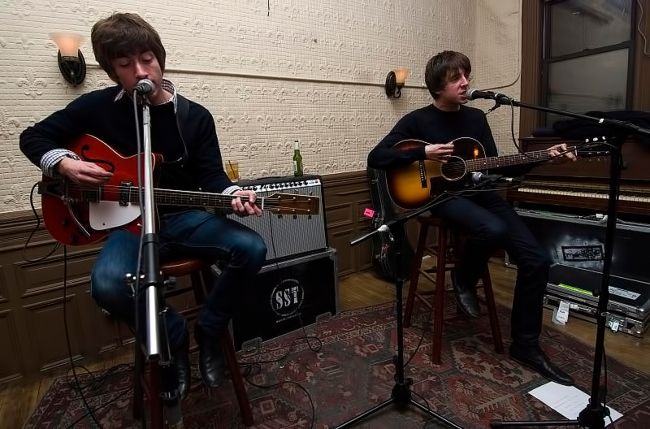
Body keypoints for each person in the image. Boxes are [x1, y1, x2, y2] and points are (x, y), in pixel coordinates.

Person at [20, 13, 267, 401]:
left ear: (160, 57)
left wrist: (232, 195)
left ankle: (210, 329)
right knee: (106, 285)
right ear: (112, 71)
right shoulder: (96, 107)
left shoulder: (195, 117)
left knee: (252, 248)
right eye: (125, 65)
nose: (139, 71)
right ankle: (171, 336)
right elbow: (33, 137)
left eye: (147, 58)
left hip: (183, 218)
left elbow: (214, 179)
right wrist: (65, 162)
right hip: (127, 228)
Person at [368, 50, 576, 386]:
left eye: (467, 75)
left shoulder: (476, 119)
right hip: (442, 197)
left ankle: (526, 345)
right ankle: (464, 279)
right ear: (438, 85)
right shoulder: (418, 121)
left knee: (537, 260)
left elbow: (495, 164)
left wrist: (544, 158)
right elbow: (376, 157)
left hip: (481, 194)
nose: (466, 83)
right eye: (456, 78)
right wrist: (424, 152)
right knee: (490, 229)